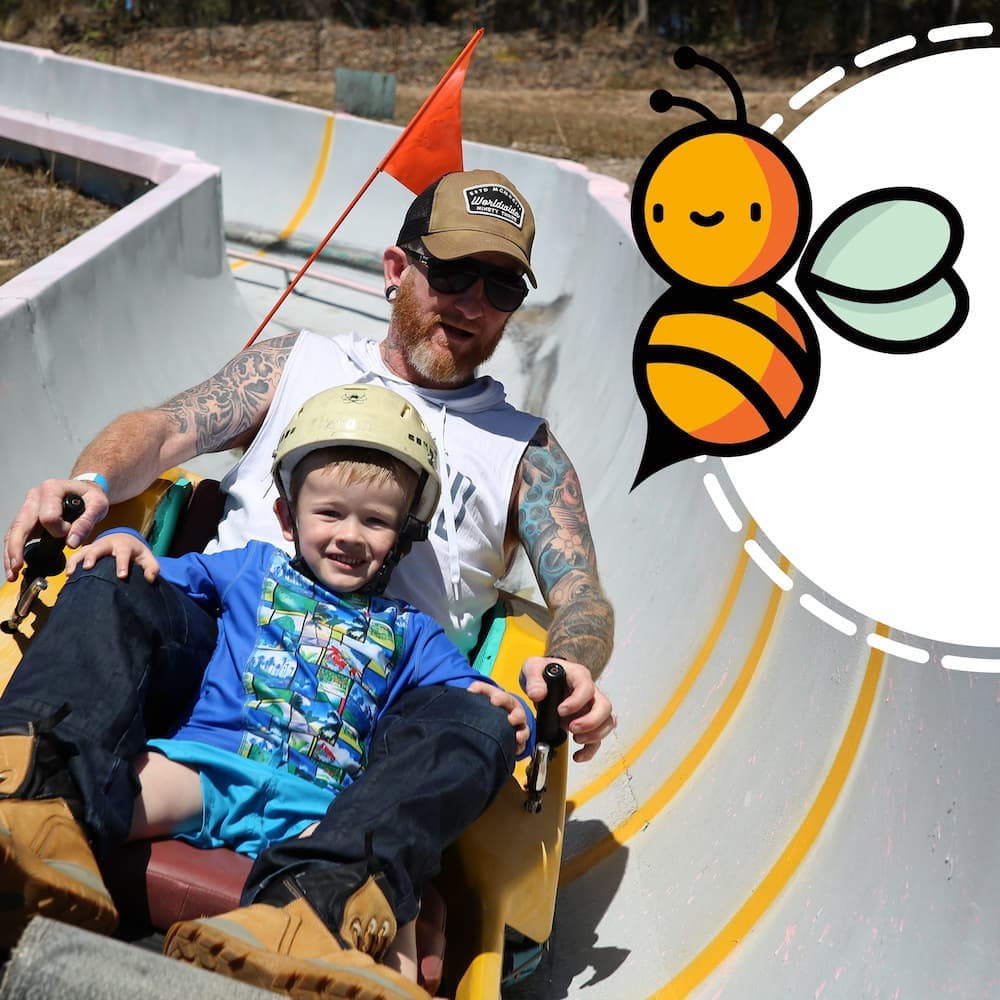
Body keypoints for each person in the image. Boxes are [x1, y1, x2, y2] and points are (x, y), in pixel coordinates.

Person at [0, 168, 615, 993]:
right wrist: (93, 487)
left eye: (499, 286)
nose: (470, 303)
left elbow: (579, 591)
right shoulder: (301, 363)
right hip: (221, 633)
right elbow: (162, 428)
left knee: (477, 723)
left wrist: (571, 664)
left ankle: (317, 909)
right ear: (398, 267)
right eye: (452, 273)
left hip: (391, 696)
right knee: (112, 573)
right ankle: (29, 807)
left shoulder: (527, 451)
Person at [86, 384, 529, 991]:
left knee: (388, 899)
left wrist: (513, 710)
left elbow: (466, 702)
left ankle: (381, 984)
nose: (350, 535)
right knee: (107, 790)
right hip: (211, 768)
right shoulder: (247, 568)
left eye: (375, 521)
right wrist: (129, 543)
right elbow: (158, 580)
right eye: (330, 513)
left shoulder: (413, 632)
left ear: (402, 535)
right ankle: (41, 849)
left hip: (324, 815)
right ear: (288, 517)